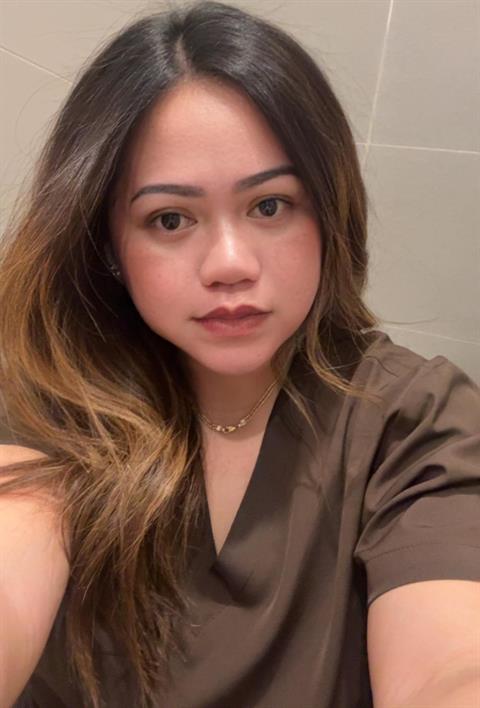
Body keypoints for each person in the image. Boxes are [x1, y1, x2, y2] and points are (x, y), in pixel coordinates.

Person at [0, 2, 479, 707]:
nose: (230, 264)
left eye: (270, 206)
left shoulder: (414, 419)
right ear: (108, 245)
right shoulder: (47, 400)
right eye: (170, 219)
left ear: (330, 211)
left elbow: (451, 666)